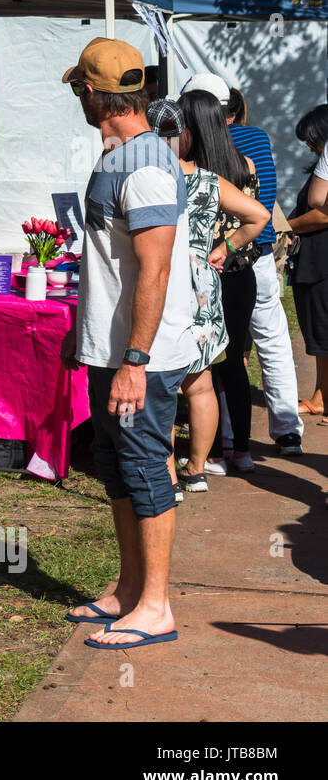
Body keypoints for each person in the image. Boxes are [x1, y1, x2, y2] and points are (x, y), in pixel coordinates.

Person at [58, 38, 197, 648]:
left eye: (77, 90)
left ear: (93, 92)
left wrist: (135, 361)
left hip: (142, 357)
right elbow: (113, 265)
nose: (76, 100)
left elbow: (156, 269)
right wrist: (84, 334)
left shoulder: (142, 165)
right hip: (111, 348)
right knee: (116, 466)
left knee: (144, 470)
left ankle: (157, 606)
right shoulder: (125, 154)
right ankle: (130, 590)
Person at [147, 98, 269, 494]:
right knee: (199, 382)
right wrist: (226, 248)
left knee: (161, 384)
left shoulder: (149, 179)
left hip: (163, 281)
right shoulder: (209, 180)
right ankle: (196, 470)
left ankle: (167, 475)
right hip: (202, 283)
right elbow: (260, 216)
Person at [211, 81, 302, 456]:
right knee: (273, 341)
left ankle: (230, 438)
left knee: (226, 351)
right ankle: (287, 431)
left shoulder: (208, 145)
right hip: (260, 251)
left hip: (227, 256)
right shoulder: (258, 138)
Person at [287, 105, 328, 423]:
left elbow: (321, 214)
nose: (310, 147)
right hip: (315, 261)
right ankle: (322, 394)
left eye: (311, 140)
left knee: (323, 332)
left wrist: (285, 227)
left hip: (320, 263)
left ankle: (323, 396)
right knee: (320, 334)